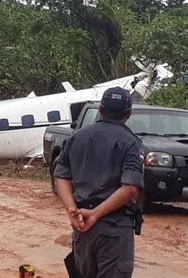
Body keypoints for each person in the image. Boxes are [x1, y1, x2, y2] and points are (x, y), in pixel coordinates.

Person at [54, 87, 144, 278]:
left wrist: (72, 209)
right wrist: (95, 214)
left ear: (100, 110)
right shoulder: (131, 143)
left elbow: (61, 176)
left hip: (82, 227)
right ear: (128, 114)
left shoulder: (77, 137)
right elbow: (129, 188)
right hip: (114, 229)